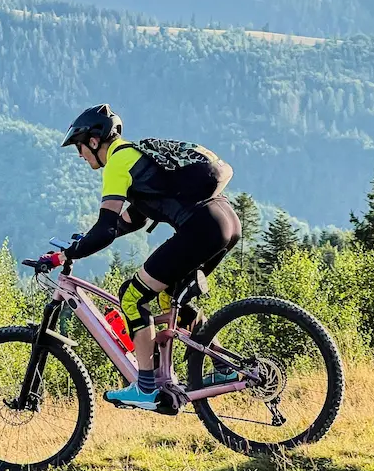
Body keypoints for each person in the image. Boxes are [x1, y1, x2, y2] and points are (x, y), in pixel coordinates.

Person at [38, 104, 242, 411]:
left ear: (94, 141)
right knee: (169, 300)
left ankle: (146, 387)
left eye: (79, 147)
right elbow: (134, 218)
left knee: (131, 295)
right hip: (225, 222)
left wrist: (63, 256)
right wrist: (84, 240)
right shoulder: (135, 156)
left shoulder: (118, 163)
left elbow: (106, 228)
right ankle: (223, 365)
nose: (79, 155)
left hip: (201, 229)